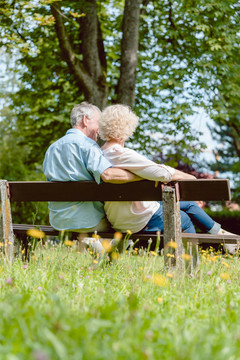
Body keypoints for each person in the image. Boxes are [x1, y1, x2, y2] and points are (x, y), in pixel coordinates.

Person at [98, 104, 239, 254]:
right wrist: (190, 178)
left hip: (118, 219)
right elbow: (160, 172)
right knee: (183, 218)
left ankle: (221, 235)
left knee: (189, 204)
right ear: (127, 128)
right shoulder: (122, 154)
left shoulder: (100, 154)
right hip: (138, 219)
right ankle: (191, 262)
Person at [43, 102, 141, 233]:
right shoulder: (87, 145)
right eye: (98, 123)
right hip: (88, 222)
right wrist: (140, 175)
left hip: (58, 222)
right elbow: (107, 175)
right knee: (124, 223)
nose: (100, 129)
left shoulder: (52, 148)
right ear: (85, 120)